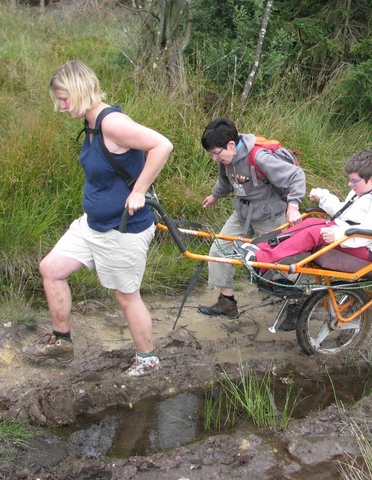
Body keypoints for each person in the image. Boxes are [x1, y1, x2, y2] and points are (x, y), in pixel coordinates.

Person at [21, 61, 174, 377]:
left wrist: (139, 191)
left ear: (79, 91)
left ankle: (148, 359)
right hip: (92, 224)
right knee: (51, 269)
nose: (61, 107)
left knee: (126, 296)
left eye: (64, 99)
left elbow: (162, 145)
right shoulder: (91, 125)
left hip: (123, 229)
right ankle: (62, 342)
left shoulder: (112, 123)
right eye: (59, 100)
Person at [234, 148, 372, 273]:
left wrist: (339, 236)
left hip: (371, 250)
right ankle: (259, 248)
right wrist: (325, 198)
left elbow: (371, 232)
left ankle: (262, 259)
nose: (350, 184)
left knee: (315, 233)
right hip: (354, 235)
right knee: (309, 223)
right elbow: (346, 213)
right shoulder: (368, 189)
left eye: (353, 181)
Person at [198, 117, 306, 319]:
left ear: (231, 144)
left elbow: (296, 176)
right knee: (218, 250)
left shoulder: (260, 158)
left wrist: (293, 207)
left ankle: (296, 307)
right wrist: (214, 196)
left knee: (280, 260)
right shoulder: (227, 158)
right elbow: (226, 181)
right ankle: (227, 302)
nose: (214, 158)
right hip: (242, 212)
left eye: (215, 153)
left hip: (269, 215)